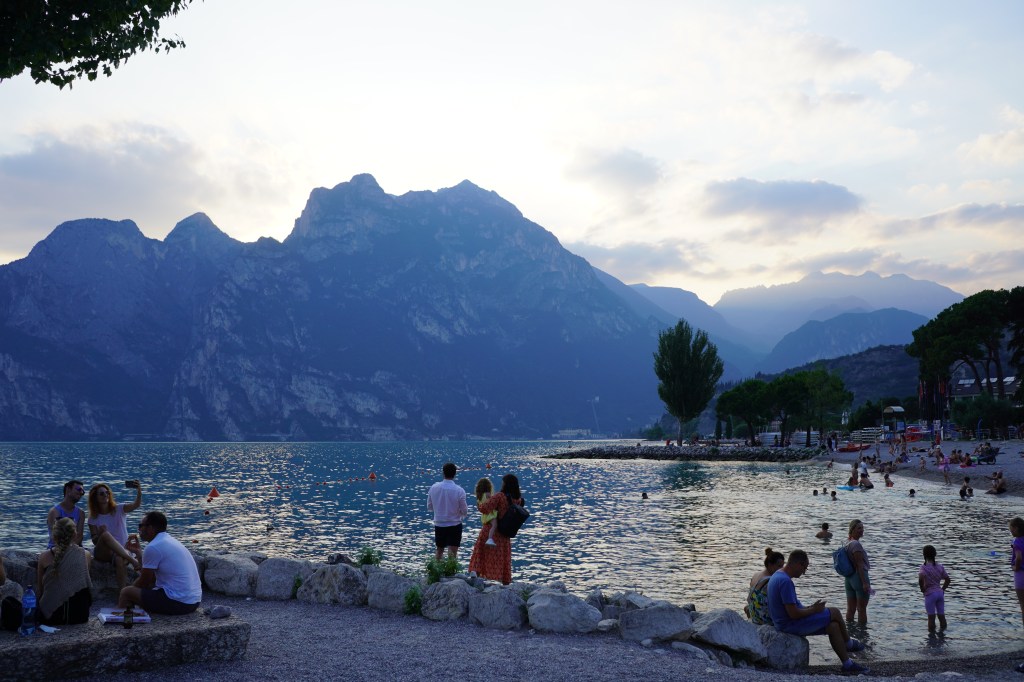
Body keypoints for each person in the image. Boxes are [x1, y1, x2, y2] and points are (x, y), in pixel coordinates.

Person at [766, 550, 868, 674]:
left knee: (833, 626)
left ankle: (847, 664)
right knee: (835, 612)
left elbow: (791, 608)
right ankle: (849, 643)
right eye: (805, 568)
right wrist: (814, 610)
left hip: (784, 622)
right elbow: (793, 614)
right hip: (789, 625)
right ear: (799, 564)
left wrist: (810, 607)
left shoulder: (778, 574)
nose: (804, 572)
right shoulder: (785, 582)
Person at [117, 511, 202, 615]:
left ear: (151, 528)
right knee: (141, 589)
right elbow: (151, 578)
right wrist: (139, 554)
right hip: (193, 602)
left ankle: (120, 621)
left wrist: (128, 593)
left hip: (178, 603)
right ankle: (130, 612)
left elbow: (144, 581)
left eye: (141, 526)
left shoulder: (153, 547)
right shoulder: (168, 540)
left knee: (126, 592)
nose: (139, 530)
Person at [468, 474, 524, 585]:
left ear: (505, 484)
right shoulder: (518, 500)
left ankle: (476, 577)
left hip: (491, 531)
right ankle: (505, 582)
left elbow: (485, 509)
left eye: (503, 482)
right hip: (505, 534)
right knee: (503, 557)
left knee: (481, 552)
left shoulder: (499, 496)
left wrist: (479, 502)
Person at [36, 517, 92, 625]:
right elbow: (83, 585)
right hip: (80, 615)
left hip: (52, 617)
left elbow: (40, 589)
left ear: (54, 536)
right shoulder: (85, 555)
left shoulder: (44, 557)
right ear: (75, 535)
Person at [87, 482, 144, 588]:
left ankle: (122, 594)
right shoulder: (93, 518)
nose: (105, 495)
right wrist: (99, 534)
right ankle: (133, 561)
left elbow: (136, 505)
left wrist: (139, 493)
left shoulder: (119, 509)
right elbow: (95, 541)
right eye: (101, 494)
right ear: (95, 498)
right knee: (105, 535)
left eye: (107, 492)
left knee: (119, 559)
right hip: (103, 552)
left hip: (121, 550)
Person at [427, 463, 468, 562]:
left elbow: (429, 506)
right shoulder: (459, 491)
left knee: (439, 550)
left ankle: (435, 572)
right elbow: (465, 511)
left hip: (439, 523)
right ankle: (451, 574)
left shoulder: (434, 488)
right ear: (455, 474)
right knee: (452, 553)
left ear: (443, 473)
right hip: (454, 524)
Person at [745, 548, 784, 625]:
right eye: (779, 566)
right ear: (770, 564)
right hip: (763, 620)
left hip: (754, 616)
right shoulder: (771, 580)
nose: (782, 569)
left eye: (782, 566)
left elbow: (749, 599)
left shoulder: (756, 575)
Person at [845, 519, 873, 624]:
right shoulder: (856, 545)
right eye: (859, 528)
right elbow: (859, 565)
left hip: (849, 578)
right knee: (862, 610)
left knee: (850, 609)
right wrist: (865, 583)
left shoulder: (847, 542)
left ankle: (849, 632)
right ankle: (862, 635)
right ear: (852, 529)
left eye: (862, 528)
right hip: (859, 578)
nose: (862, 530)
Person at [918, 545, 950, 633]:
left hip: (930, 594)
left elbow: (920, 578)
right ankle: (943, 635)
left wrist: (922, 589)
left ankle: (931, 639)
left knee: (931, 618)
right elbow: (947, 579)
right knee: (942, 616)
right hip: (940, 593)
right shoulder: (940, 566)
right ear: (935, 555)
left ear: (924, 555)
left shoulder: (923, 567)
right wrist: (943, 589)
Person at [46, 480, 85, 548]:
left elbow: (79, 536)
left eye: (83, 491)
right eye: (79, 489)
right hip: (55, 549)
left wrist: (71, 549)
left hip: (73, 548)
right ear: (68, 490)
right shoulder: (55, 512)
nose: (81, 493)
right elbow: (55, 536)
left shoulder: (81, 513)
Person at [474, 478, 498, 547]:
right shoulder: (488, 494)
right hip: (490, 515)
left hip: (484, 516)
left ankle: (490, 538)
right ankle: (490, 538)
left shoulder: (479, 497)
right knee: (494, 525)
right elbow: (493, 503)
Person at [1011, 517, 1024, 629]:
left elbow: (1018, 557)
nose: (1010, 531)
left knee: (1023, 605)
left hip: (1021, 575)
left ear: (1015, 528)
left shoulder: (1017, 541)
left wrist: (1016, 567)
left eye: (1010, 528)